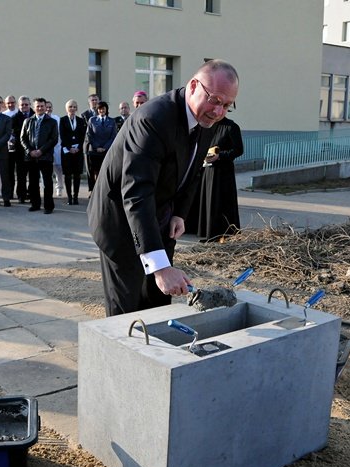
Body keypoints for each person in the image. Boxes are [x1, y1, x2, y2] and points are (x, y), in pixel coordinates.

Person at [87, 59, 239, 316]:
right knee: (127, 311)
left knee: (157, 303)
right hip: (122, 222)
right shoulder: (153, 119)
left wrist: (180, 212)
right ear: (193, 86)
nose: (218, 111)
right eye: (214, 100)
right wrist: (159, 267)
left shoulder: (205, 120)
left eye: (227, 105)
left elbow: (193, 170)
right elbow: (136, 193)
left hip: (161, 218)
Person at [185, 116, 243, 242]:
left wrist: (220, 156)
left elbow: (238, 150)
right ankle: (206, 232)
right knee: (206, 200)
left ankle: (222, 234)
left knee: (220, 202)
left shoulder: (231, 127)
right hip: (206, 170)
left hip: (223, 173)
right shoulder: (205, 125)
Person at [20, 97, 58, 214]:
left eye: (42, 106)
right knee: (33, 182)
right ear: (34, 107)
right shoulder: (28, 121)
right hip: (31, 157)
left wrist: (41, 151)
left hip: (45, 157)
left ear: (45, 107)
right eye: (38, 106)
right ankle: (35, 204)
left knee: (47, 183)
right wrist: (30, 150)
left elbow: (53, 139)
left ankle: (48, 206)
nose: (40, 108)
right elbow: (23, 138)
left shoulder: (52, 122)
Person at [59, 99, 87, 206]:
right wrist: (69, 147)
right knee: (67, 175)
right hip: (67, 151)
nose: (72, 109)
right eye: (70, 106)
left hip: (78, 151)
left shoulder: (80, 120)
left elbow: (82, 135)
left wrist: (78, 147)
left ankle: (76, 197)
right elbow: (62, 135)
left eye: (74, 107)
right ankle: (69, 197)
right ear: (66, 108)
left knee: (77, 175)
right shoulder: (63, 120)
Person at [86, 101, 117, 195]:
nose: (101, 110)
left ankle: (105, 191)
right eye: (99, 108)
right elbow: (89, 135)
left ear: (106, 109)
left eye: (103, 108)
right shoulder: (92, 120)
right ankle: (95, 191)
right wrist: (97, 147)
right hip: (95, 152)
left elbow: (113, 136)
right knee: (95, 172)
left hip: (107, 151)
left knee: (106, 172)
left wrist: (105, 147)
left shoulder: (112, 121)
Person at [10, 96, 34, 203]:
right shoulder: (14, 118)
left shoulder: (35, 115)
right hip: (20, 150)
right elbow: (14, 132)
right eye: (22, 105)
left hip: (34, 149)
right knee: (21, 175)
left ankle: (32, 194)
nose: (24, 106)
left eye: (26, 104)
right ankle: (21, 195)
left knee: (33, 174)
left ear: (30, 105)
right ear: (18, 106)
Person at [45, 100, 64, 197]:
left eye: (50, 107)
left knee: (58, 169)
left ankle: (59, 188)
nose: (48, 109)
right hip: (45, 148)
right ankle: (47, 189)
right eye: (47, 107)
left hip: (57, 147)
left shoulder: (57, 118)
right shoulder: (42, 119)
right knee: (46, 170)